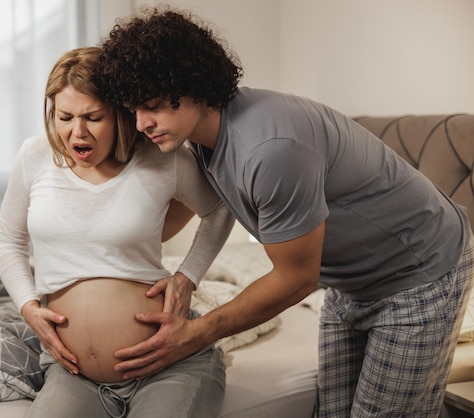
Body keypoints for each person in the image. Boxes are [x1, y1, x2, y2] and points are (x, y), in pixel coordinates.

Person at [95, 7, 474, 417]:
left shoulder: (270, 149)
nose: (142, 122)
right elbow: (195, 214)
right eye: (134, 109)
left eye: (151, 105)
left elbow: (295, 278)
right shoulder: (202, 138)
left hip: (420, 271)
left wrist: (196, 334)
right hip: (349, 282)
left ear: (194, 87)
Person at [0, 46, 234, 418]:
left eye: (93, 117)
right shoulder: (34, 156)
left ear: (121, 115)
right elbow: (8, 241)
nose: (77, 132)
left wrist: (188, 276)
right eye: (64, 117)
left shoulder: (162, 158)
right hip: (74, 373)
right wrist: (28, 306)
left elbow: (219, 209)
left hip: (169, 364)